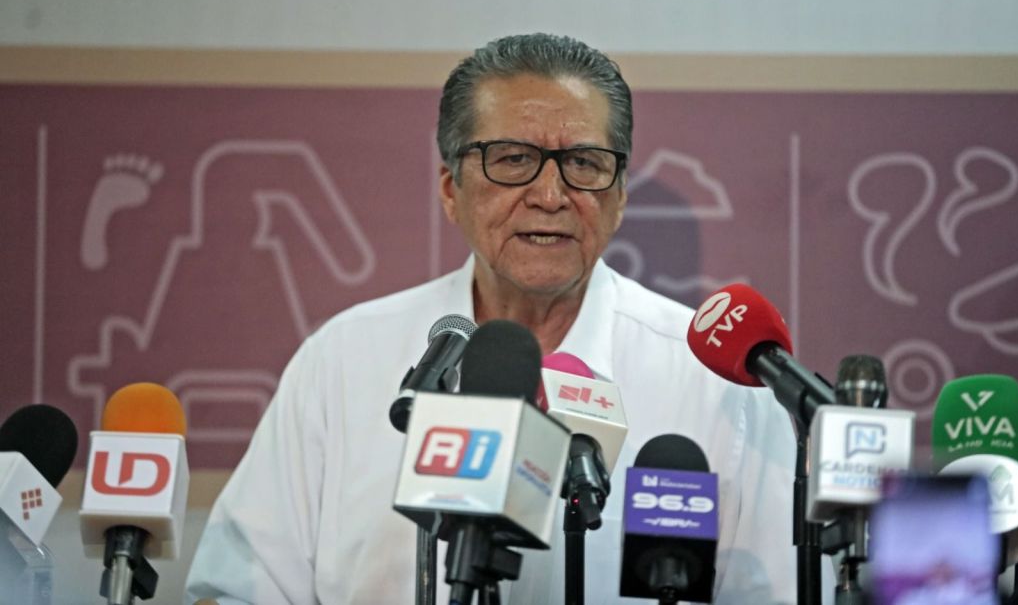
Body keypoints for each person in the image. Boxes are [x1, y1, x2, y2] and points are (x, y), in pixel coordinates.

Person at [185, 33, 812, 604]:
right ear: (450, 189)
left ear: (619, 195)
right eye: (512, 159)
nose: (550, 194)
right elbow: (236, 590)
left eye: (584, 163)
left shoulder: (716, 382)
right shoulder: (345, 359)